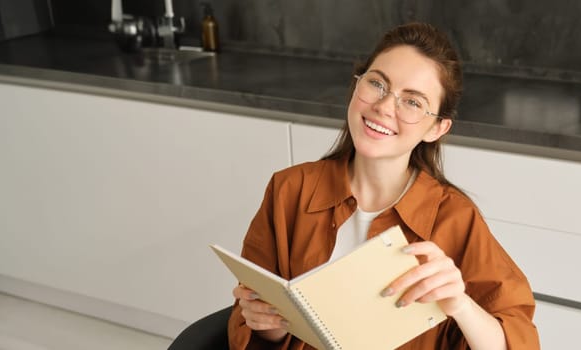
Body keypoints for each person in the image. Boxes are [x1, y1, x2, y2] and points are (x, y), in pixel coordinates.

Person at [228, 22, 540, 349]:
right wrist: (268, 325)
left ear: (437, 128)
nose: (384, 106)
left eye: (413, 102)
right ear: (356, 86)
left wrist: (460, 304)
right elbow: (248, 325)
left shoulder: (456, 218)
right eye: (377, 84)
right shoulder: (289, 190)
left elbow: (517, 340)